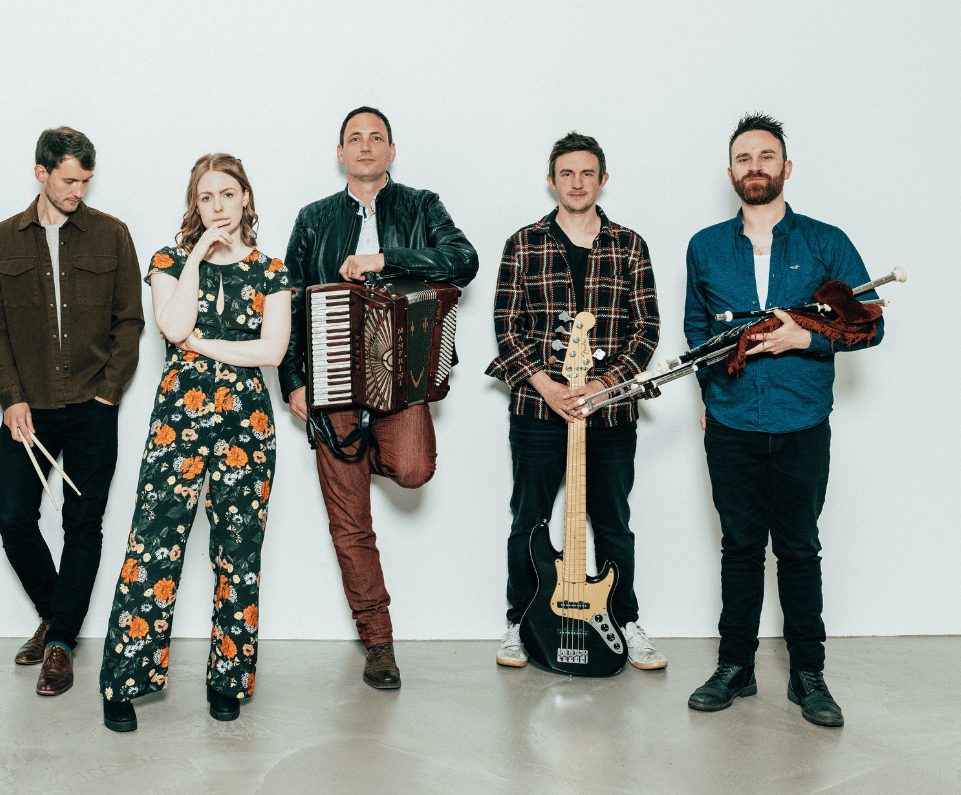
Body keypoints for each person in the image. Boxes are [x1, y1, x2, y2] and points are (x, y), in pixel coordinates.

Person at [683, 113, 883, 727]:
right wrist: (709, 397)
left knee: (799, 549)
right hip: (732, 424)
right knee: (740, 547)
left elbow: (869, 324)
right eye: (744, 158)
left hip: (801, 424)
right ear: (731, 172)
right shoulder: (706, 246)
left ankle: (808, 675)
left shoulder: (826, 241)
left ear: (786, 168)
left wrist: (805, 339)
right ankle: (735, 667)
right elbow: (697, 334)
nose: (755, 167)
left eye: (766, 157)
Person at [277, 107, 478, 688]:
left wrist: (386, 260)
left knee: (414, 469)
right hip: (331, 380)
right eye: (353, 139)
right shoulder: (314, 219)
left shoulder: (421, 206)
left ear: (392, 151)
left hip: (401, 378)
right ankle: (379, 643)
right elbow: (289, 299)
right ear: (340, 153)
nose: (365, 147)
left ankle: (358, 453)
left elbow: (463, 261)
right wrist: (293, 380)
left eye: (376, 138)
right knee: (351, 523)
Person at [98, 154, 294, 732]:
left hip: (246, 426)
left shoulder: (272, 270)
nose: (218, 207)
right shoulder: (167, 261)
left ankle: (227, 681)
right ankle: (125, 683)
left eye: (227, 195)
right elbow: (173, 325)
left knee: (239, 553)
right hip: (177, 421)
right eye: (206, 197)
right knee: (152, 545)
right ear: (195, 204)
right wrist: (198, 258)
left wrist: (200, 346)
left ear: (245, 199)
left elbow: (272, 352)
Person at [486, 132, 666, 671]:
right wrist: (547, 385)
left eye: (588, 173)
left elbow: (647, 329)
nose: (577, 182)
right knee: (530, 519)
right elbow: (506, 327)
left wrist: (601, 385)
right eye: (567, 173)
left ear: (602, 179)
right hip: (539, 411)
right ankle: (519, 622)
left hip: (608, 412)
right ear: (552, 180)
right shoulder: (523, 244)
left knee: (613, 521)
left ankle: (625, 621)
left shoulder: (630, 245)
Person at [0, 127, 144, 696]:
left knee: (82, 524)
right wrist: (11, 398)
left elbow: (130, 321)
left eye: (85, 180)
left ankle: (58, 644)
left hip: (93, 407)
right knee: (14, 519)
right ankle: (61, 618)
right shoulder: (3, 240)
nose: (78, 190)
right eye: (69, 179)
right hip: (29, 407)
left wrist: (109, 393)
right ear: (41, 172)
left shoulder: (112, 235)